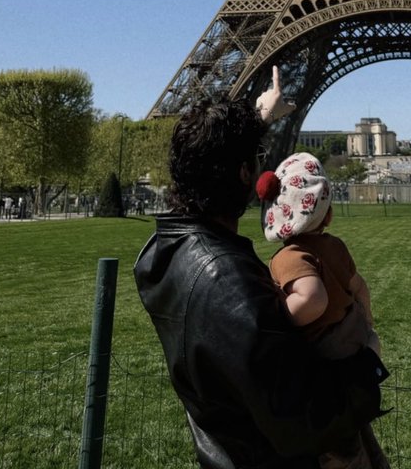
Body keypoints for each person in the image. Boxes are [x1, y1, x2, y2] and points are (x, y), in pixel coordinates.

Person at [134, 69, 388, 469]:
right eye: (256, 160)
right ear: (242, 175)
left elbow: (207, 155)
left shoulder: (163, 253)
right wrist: (368, 363)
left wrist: (258, 119)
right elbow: (303, 419)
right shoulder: (225, 280)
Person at [259, 154, 389, 469]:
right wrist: (368, 327)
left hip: (327, 359)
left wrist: (274, 319)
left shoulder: (288, 256)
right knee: (357, 429)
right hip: (355, 342)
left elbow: (312, 300)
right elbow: (360, 287)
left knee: (336, 444)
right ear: (328, 216)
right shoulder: (336, 247)